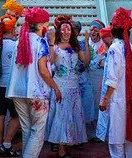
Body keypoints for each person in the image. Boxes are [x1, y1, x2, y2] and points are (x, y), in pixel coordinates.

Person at [7, 7, 62, 158]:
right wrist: (55, 87)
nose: (48, 27)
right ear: (40, 26)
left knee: (27, 129)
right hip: (36, 92)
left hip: (18, 91)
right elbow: (43, 70)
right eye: (46, 24)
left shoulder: (20, 41)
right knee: (37, 132)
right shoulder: (40, 42)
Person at [99, 8, 132, 158]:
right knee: (128, 141)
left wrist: (105, 99)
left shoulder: (114, 48)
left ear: (114, 30)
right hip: (129, 99)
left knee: (116, 143)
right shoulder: (129, 47)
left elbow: (112, 79)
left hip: (117, 100)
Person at [46, 16, 89, 157]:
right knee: (62, 116)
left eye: (69, 30)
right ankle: (61, 148)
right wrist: (51, 44)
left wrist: (86, 43)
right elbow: (51, 61)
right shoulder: (55, 46)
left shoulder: (75, 46)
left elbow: (85, 61)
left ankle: (67, 143)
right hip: (61, 86)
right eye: (63, 30)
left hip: (74, 86)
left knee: (72, 115)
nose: (66, 32)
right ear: (59, 31)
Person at [0, 15, 21, 157]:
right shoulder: (15, 46)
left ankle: (0, 144)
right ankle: (7, 143)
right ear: (12, 30)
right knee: (17, 116)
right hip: (10, 87)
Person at [86, 20, 107, 141]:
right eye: (91, 29)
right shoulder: (87, 43)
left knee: (98, 104)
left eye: (96, 30)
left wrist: (102, 63)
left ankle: (99, 132)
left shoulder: (104, 44)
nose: (93, 32)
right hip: (88, 78)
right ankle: (91, 130)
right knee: (89, 104)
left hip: (99, 78)